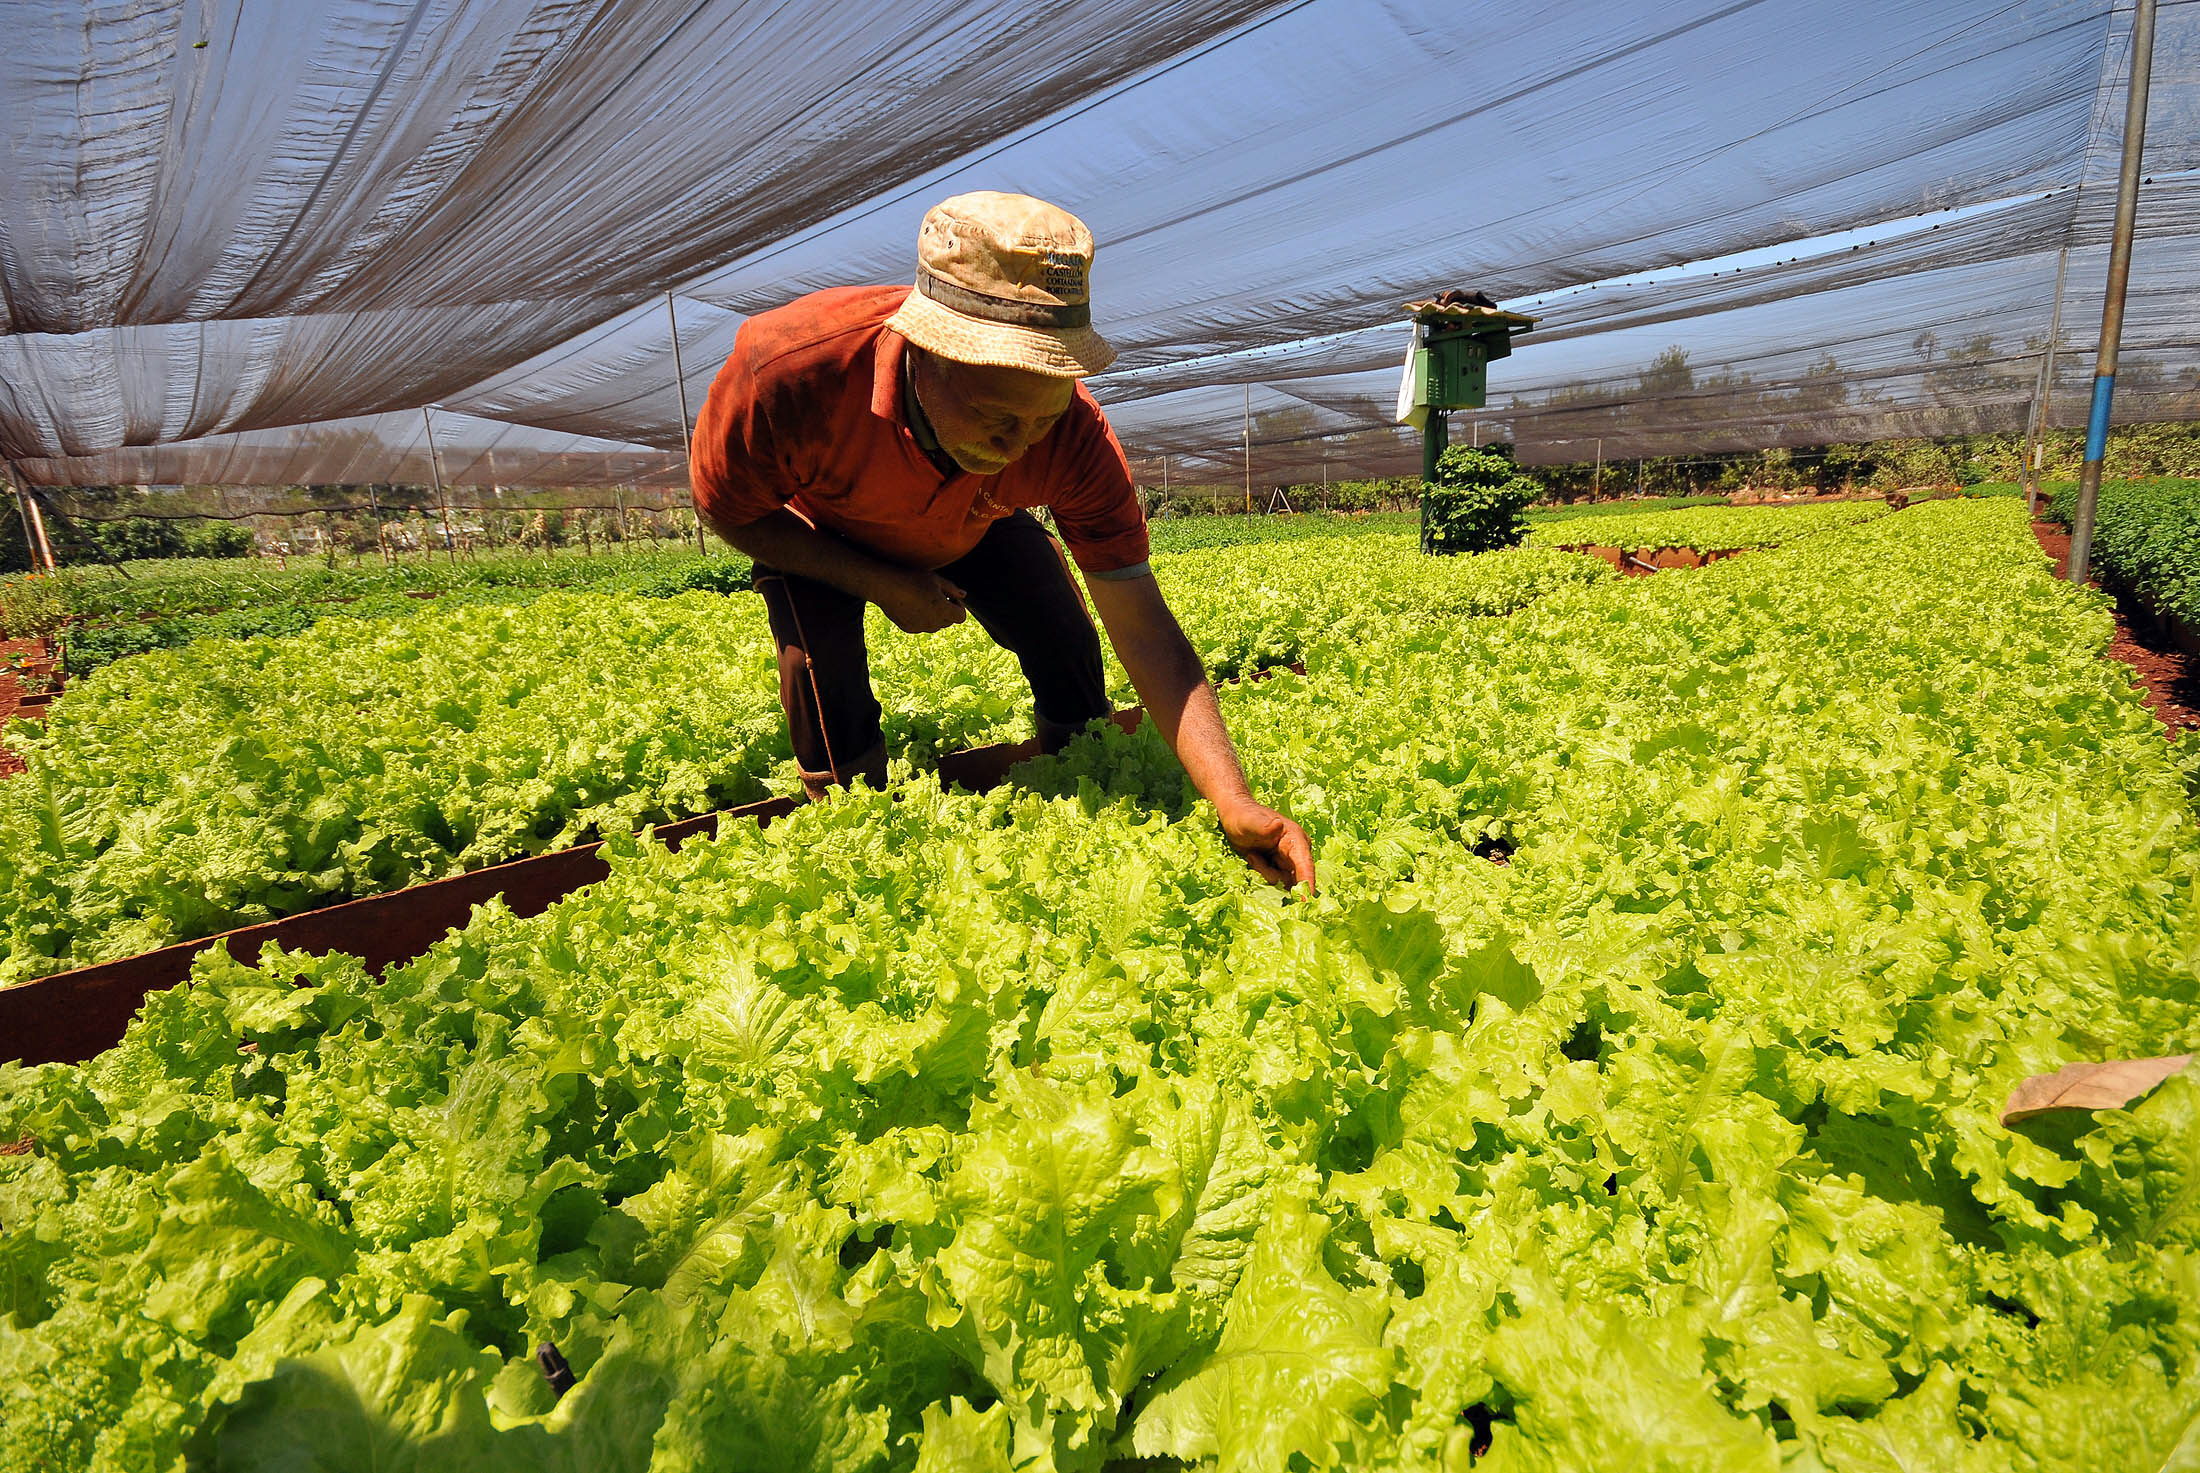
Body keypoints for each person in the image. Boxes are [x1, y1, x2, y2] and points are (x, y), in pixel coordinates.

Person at [690, 191, 1315, 892]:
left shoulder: (1073, 437)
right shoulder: (788, 372)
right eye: (995, 416)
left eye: (1040, 420)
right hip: (820, 530)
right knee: (819, 673)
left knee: (1063, 632)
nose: (1019, 445)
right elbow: (728, 511)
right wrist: (883, 583)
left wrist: (1234, 801)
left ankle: (1082, 775)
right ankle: (854, 842)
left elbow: (1142, 624)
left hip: (970, 520)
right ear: (926, 352)